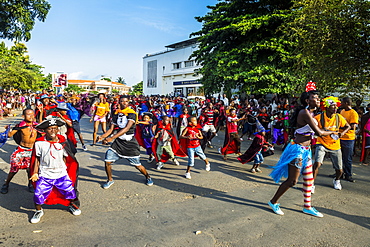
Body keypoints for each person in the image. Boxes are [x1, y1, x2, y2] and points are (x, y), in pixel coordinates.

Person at [268, 91, 336, 217]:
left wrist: (327, 130)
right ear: (307, 101)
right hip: (297, 150)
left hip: (306, 151)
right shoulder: (304, 113)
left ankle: (307, 206)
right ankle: (273, 202)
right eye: (315, 98)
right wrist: (333, 132)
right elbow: (319, 133)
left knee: (309, 180)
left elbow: (317, 131)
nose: (318, 99)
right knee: (292, 181)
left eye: (318, 97)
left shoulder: (311, 113)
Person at [29, 118, 81, 224]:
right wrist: (35, 172)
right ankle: (39, 211)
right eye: (49, 129)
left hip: (61, 173)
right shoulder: (39, 143)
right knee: (38, 194)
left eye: (55, 128)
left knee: (70, 192)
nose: (53, 131)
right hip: (45, 173)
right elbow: (37, 158)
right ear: (45, 130)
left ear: (58, 130)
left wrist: (65, 169)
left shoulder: (63, 142)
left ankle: (72, 206)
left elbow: (67, 157)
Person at [97, 95, 153, 189]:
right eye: (122, 101)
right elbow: (111, 129)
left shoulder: (132, 114)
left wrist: (111, 138)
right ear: (119, 102)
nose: (124, 103)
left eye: (126, 101)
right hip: (118, 143)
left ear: (128, 102)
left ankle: (148, 177)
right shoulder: (116, 114)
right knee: (107, 161)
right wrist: (102, 137)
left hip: (130, 143)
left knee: (138, 165)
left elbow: (127, 128)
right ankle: (110, 180)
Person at [313, 96, 350, 190]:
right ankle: (311, 184)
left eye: (336, 106)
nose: (335, 108)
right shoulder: (319, 117)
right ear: (326, 107)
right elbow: (313, 128)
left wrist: (342, 133)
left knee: (340, 170)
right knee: (317, 164)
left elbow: (348, 126)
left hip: (335, 144)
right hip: (322, 143)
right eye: (333, 106)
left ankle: (337, 180)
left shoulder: (338, 117)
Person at [0, 109, 39, 194]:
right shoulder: (20, 126)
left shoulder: (37, 126)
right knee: (14, 169)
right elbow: (10, 135)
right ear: (23, 116)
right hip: (21, 150)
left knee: (29, 169)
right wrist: (8, 129)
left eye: (32, 114)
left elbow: (44, 134)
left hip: (31, 150)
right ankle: (6, 184)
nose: (31, 116)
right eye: (28, 114)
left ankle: (30, 184)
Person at [339, 97, 359, 182]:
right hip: (340, 137)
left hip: (348, 138)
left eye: (342, 103)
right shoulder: (342, 111)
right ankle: (340, 172)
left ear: (347, 103)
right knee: (339, 157)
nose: (341, 104)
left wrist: (342, 128)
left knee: (347, 158)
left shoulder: (353, 113)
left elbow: (353, 127)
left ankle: (348, 174)